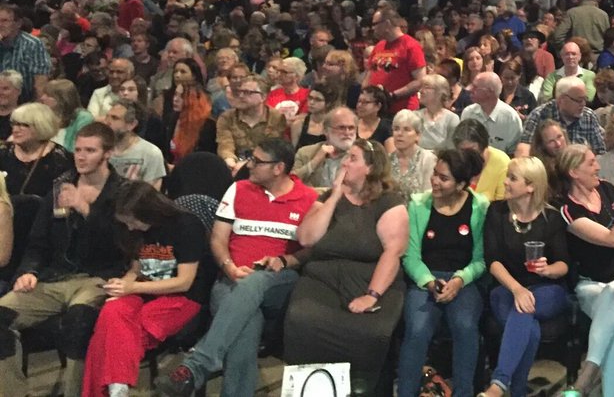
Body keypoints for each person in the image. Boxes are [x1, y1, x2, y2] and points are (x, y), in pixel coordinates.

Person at [157, 138, 319, 397]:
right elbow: (218, 239)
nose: (249, 165)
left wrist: (288, 260)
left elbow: (314, 246)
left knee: (255, 280)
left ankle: (197, 365)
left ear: (278, 168)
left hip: (279, 281)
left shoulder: (308, 199)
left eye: (257, 161)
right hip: (230, 279)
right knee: (246, 327)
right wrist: (228, 266)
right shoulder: (238, 189)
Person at [0, 122, 125, 397]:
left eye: (90, 150)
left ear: (108, 154)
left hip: (99, 277)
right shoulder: (61, 187)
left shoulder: (123, 192)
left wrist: (84, 209)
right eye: (78, 149)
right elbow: (37, 242)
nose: (80, 156)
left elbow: (123, 246)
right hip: (55, 277)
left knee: (78, 320)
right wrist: (28, 271)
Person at [284, 138, 409, 395]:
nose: (344, 162)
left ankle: (360, 387)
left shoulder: (389, 202)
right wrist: (334, 197)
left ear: (370, 168)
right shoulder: (329, 197)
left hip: (371, 279)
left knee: (372, 331)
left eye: (352, 158)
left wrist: (371, 295)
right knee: (302, 316)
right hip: (323, 278)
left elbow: (393, 252)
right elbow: (306, 238)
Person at [81, 181, 212, 397]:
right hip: (143, 289)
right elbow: (136, 269)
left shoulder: (186, 225)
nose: (130, 227)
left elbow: (184, 282)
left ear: (150, 212)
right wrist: (123, 284)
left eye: (133, 221)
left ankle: (112, 388)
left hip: (181, 296)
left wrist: (132, 287)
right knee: (112, 311)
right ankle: (117, 386)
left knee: (109, 338)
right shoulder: (134, 232)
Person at [396, 148, 489, 397]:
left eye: (443, 178)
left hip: (464, 280)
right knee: (416, 330)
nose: (435, 181)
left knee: (466, 327)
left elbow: (481, 260)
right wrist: (428, 282)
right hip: (425, 278)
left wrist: (459, 280)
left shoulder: (480, 206)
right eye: (435, 174)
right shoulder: (418, 204)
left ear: (461, 184)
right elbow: (411, 256)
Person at [559, 144, 614, 397]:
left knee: (611, 295)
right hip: (590, 284)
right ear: (574, 172)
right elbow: (613, 239)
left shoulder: (606, 189)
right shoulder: (568, 210)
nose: (598, 166)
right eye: (590, 163)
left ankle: (585, 377)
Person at [479, 156, 571, 397]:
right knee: (526, 319)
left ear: (530, 186)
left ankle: (499, 384)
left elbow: (564, 264)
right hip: (506, 288)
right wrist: (517, 289)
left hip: (547, 288)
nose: (506, 182)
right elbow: (493, 261)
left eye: (512, 178)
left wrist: (548, 269)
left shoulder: (551, 218)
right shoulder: (497, 212)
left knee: (524, 310)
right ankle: (516, 390)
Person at [215, 73, 288, 175]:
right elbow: (225, 145)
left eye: (247, 92)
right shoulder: (227, 117)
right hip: (234, 167)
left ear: (263, 97)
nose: (241, 96)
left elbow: (273, 149)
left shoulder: (276, 117)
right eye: (240, 92)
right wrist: (231, 162)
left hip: (265, 168)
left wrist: (249, 164)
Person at [516, 77, 606, 157]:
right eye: (579, 100)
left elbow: (600, 151)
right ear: (561, 100)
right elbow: (524, 147)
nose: (583, 104)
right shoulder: (539, 115)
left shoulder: (588, 116)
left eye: (584, 99)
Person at [0, 102, 73, 197]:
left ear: (41, 126)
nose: (15, 130)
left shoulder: (60, 159)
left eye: (24, 125)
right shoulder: (3, 152)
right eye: (14, 124)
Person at [365, 8, 427, 115]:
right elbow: (369, 75)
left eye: (375, 24)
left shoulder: (411, 45)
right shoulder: (379, 46)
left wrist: (392, 96)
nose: (373, 28)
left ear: (387, 23)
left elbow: (420, 81)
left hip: (402, 110)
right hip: (377, 110)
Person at [161, 58, 216, 163]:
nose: (175, 99)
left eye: (181, 96)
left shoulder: (207, 125)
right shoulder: (172, 119)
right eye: (175, 95)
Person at [105, 99, 167, 188]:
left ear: (131, 124)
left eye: (115, 118)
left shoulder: (151, 153)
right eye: (107, 116)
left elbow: (152, 196)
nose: (107, 122)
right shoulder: (100, 149)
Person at [293, 106, 358, 189]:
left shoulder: (362, 156)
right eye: (341, 128)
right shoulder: (305, 153)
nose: (347, 132)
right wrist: (315, 161)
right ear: (326, 131)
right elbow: (291, 181)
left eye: (351, 128)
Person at [461, 70, 523, 155]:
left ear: (489, 92)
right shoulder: (468, 113)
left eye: (475, 87)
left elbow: (514, 152)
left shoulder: (510, 118)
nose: (470, 90)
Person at [0, 4, 51, 104]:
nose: (0, 24)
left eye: (4, 21)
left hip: (24, 105)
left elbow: (40, 83)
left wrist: (33, 110)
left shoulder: (32, 44)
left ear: (18, 23)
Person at [451, 118, 509, 202]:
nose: (467, 154)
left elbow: (501, 205)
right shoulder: (456, 161)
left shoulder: (502, 162)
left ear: (482, 143)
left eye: (471, 149)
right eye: (462, 150)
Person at [386, 108, 438, 197]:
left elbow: (429, 196)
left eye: (406, 129)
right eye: (396, 129)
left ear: (418, 135)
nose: (400, 133)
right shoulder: (386, 160)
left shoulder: (428, 159)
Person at [41, 79, 95, 153]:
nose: (42, 98)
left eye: (48, 95)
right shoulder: (44, 115)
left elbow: (78, 148)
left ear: (62, 99)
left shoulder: (83, 118)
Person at [416, 73, 461, 151]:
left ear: (440, 92)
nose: (421, 91)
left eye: (426, 87)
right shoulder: (414, 116)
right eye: (421, 87)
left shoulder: (452, 119)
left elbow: (453, 152)